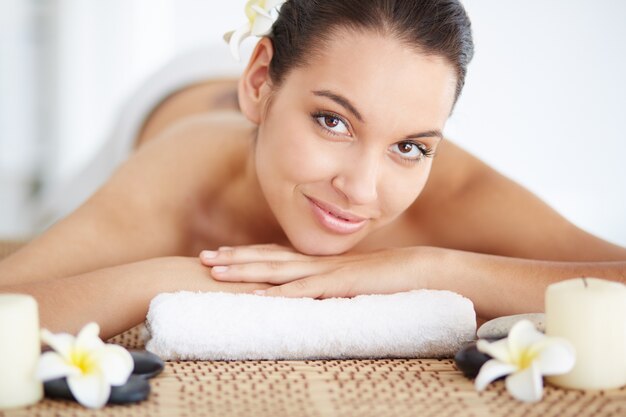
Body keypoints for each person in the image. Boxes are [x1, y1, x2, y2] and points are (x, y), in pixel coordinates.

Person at [0, 0, 624, 341]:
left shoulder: (454, 193)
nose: (361, 189)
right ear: (258, 82)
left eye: (410, 146)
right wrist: (169, 278)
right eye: (333, 122)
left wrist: (436, 265)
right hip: (182, 103)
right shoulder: (177, 180)